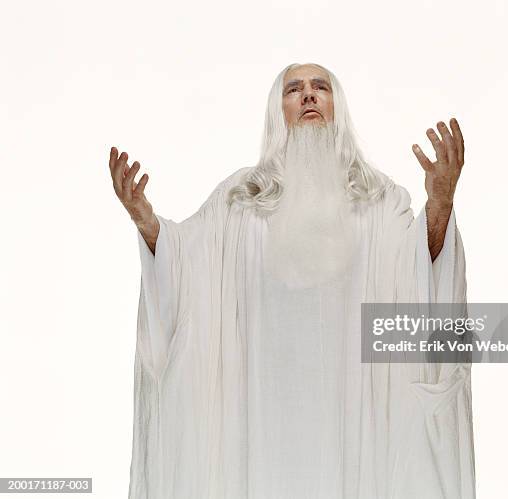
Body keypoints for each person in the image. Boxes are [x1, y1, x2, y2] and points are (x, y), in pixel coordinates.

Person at [108, 62, 474, 499]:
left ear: (337, 107)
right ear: (275, 111)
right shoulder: (240, 200)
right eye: (293, 89)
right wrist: (149, 225)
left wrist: (439, 204)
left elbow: (419, 289)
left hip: (353, 418)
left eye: (321, 87)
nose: (308, 95)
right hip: (260, 420)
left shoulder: (378, 200)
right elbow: (183, 269)